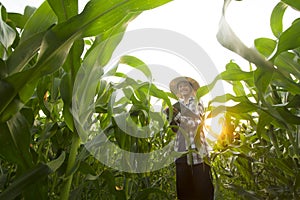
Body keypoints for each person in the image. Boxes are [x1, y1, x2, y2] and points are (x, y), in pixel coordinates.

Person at [166, 76, 214, 200]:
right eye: (180, 86)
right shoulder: (176, 106)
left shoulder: (197, 102)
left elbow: (195, 123)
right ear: (178, 91)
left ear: (191, 88)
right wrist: (170, 117)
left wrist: (177, 116)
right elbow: (176, 130)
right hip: (181, 153)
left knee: (203, 191)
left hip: (198, 153)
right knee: (184, 192)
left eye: (185, 85)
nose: (183, 88)